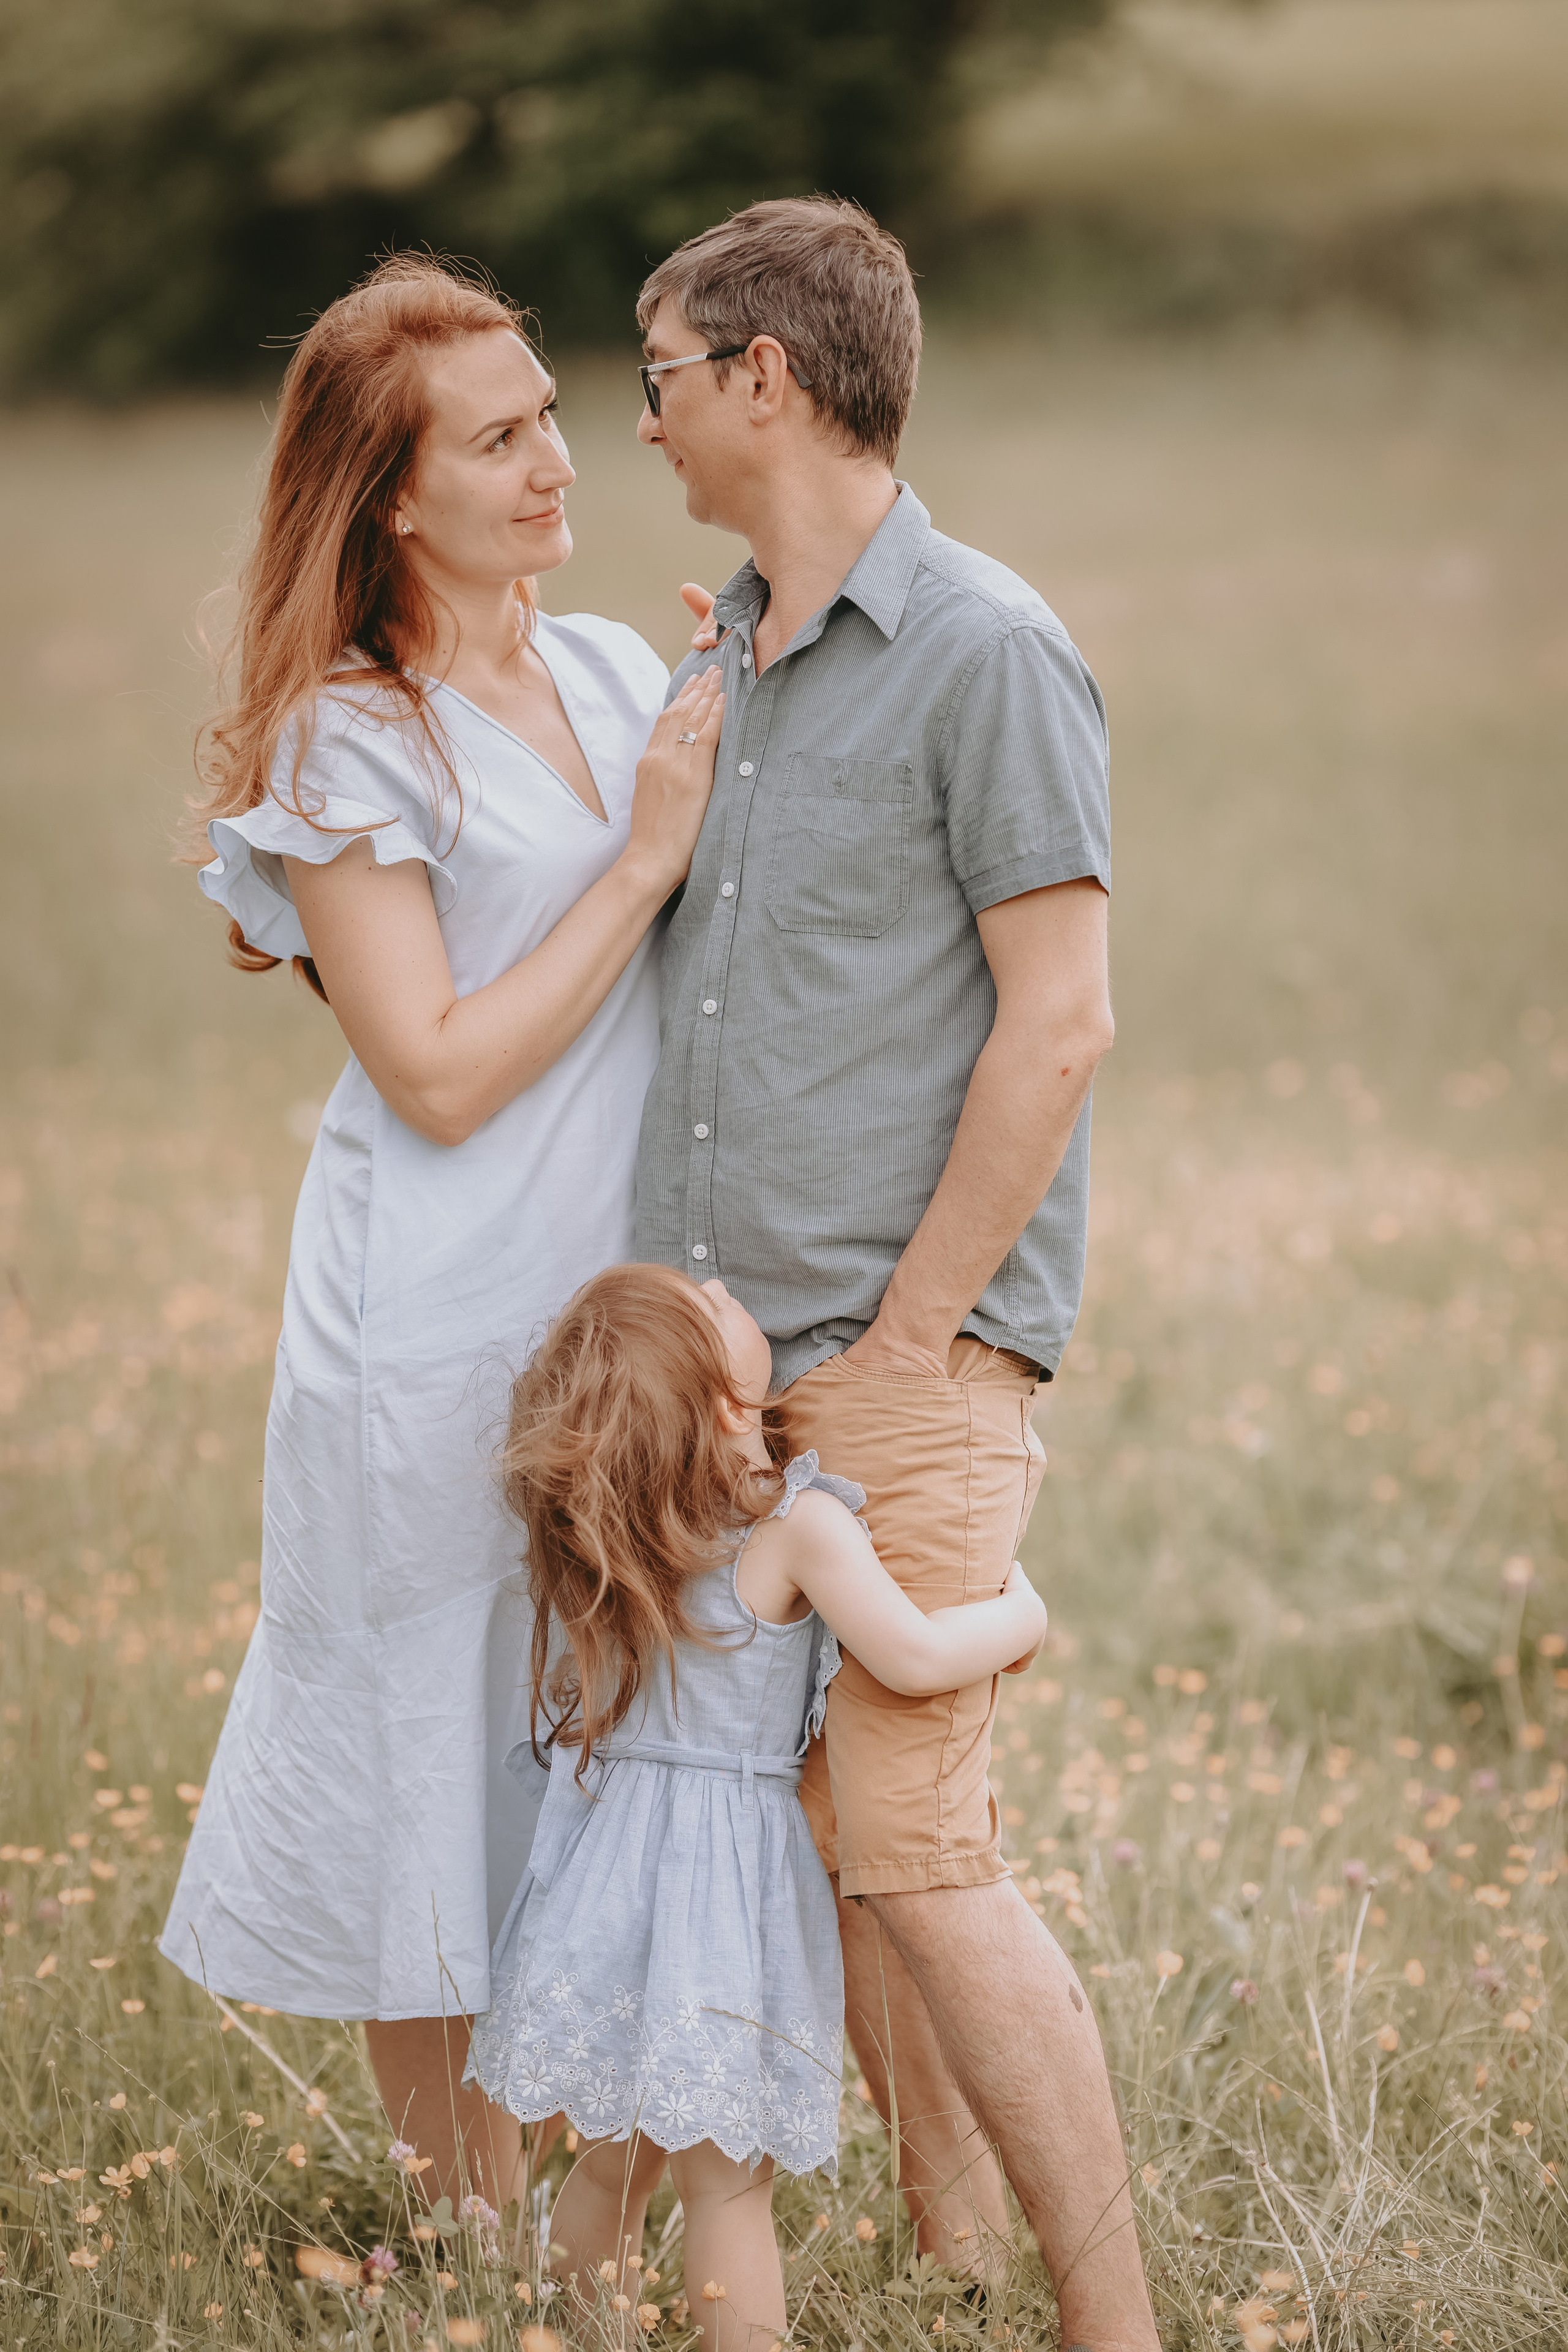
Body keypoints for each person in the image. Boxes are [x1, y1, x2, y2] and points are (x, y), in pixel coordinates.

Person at [633, 200, 1159, 2351]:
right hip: (723, 1367)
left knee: (917, 1835)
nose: (641, 419)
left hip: (898, 1357)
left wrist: (923, 1347)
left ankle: (1114, 2319)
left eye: (658, 374)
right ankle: (947, 2249)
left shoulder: (990, 649)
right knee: (807, 1827)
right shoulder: (723, 651)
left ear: (766, 374)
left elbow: (1062, 1020)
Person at [157, 253, 725, 2204]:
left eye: (554, 412)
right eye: (500, 440)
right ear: (394, 494)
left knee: (601, 1739)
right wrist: (648, 852)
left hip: (613, 1306)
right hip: (433, 1309)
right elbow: (440, 1071)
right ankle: (463, 2220)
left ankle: (580, 2205)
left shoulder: (605, 669)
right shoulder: (350, 740)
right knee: (437, 1743)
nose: (561, 459)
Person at [466, 1263, 1048, 2352]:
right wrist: (1022, 1612)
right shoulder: (798, 1529)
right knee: (729, 2190)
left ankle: (567, 2336)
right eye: (707, 1301)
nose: (721, 1280)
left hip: (613, 1880)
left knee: (615, 2156)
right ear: (719, 1398)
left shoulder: (618, 1540)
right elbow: (916, 1656)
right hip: (725, 1887)